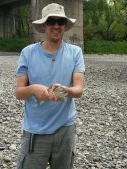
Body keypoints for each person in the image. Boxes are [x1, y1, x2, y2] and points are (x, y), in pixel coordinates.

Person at [15, 3, 85, 169]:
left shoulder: (75, 53)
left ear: (64, 26)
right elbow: (19, 92)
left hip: (65, 129)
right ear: (44, 25)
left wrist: (65, 91)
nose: (56, 26)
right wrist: (33, 89)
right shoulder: (27, 53)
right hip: (35, 131)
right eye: (51, 21)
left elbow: (78, 90)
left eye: (60, 22)